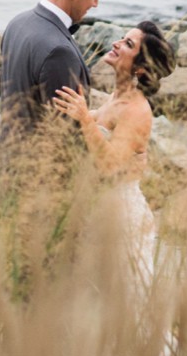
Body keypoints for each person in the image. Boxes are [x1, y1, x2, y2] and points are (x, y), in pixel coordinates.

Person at [52, 20, 175, 284]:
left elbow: (111, 164)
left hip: (122, 217)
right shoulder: (115, 97)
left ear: (141, 68)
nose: (116, 43)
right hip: (100, 208)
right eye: (122, 37)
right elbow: (96, 125)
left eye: (128, 44)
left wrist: (85, 118)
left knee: (124, 297)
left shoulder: (137, 110)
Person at [0, 0, 113, 196]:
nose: (96, 4)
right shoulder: (59, 51)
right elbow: (63, 134)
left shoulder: (18, 23)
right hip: (41, 187)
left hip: (6, 169)